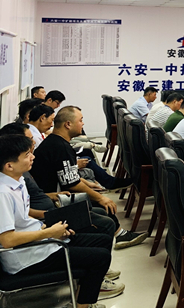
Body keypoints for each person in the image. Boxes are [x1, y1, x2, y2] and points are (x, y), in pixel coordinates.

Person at [0, 133, 122, 308]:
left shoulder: (17, 181)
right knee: (100, 257)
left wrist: (49, 228)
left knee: (102, 239)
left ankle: (83, 294)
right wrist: (50, 233)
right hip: (27, 256)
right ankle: (82, 305)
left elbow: (23, 218)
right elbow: (7, 240)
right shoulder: (3, 193)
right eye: (27, 155)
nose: (33, 156)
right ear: (9, 165)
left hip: (40, 239)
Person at [30, 106, 146, 250]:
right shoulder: (60, 147)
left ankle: (119, 234)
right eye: (80, 120)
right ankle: (116, 237)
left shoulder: (56, 143)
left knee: (95, 199)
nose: (83, 123)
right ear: (68, 124)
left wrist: (88, 185)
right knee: (99, 203)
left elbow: (67, 176)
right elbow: (71, 184)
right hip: (54, 202)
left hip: (55, 195)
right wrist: (101, 198)